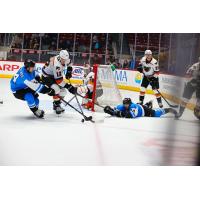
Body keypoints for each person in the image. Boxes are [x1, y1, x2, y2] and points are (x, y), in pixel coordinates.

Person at [41, 50, 78, 114]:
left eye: (65, 59)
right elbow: (59, 81)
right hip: (46, 77)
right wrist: (69, 87)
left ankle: (56, 104)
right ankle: (57, 105)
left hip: (53, 75)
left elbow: (70, 62)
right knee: (56, 89)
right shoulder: (57, 65)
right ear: (60, 57)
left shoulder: (66, 59)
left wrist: (69, 70)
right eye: (63, 59)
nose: (64, 61)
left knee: (63, 92)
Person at [104, 97, 177, 119]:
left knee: (156, 114)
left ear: (130, 103)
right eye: (124, 104)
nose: (125, 105)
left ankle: (169, 110)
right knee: (144, 106)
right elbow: (115, 110)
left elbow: (130, 116)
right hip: (140, 107)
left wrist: (119, 113)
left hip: (144, 111)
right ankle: (148, 104)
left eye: (127, 104)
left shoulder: (133, 106)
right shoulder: (122, 106)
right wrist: (109, 110)